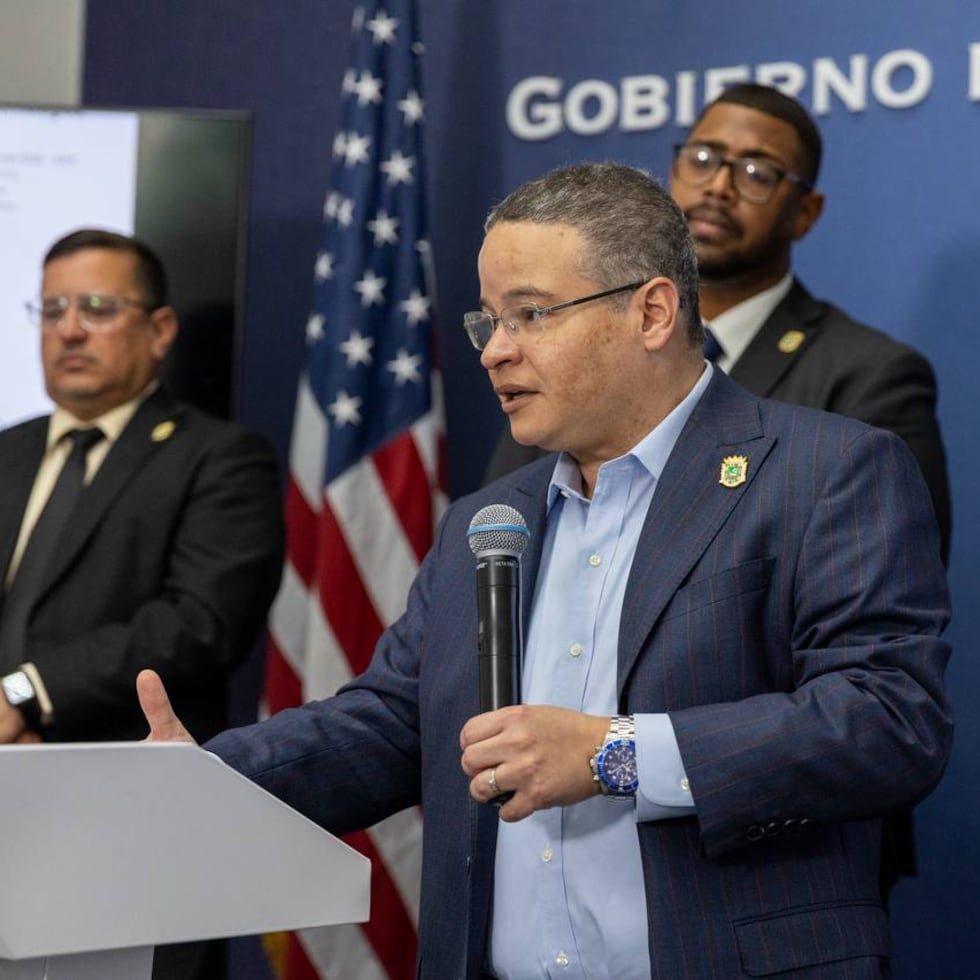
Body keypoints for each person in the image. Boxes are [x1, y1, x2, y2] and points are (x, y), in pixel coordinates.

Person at [139, 163, 952, 980]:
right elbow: (393, 722)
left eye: (530, 314)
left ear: (653, 311)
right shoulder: (487, 523)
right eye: (488, 321)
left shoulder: (824, 470)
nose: (496, 351)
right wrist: (211, 779)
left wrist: (615, 754)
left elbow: (889, 721)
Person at [484, 84, 952, 570]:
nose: (719, 187)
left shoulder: (870, 375)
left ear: (806, 212)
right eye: (703, 158)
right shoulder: (577, 371)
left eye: (756, 172)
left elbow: (891, 572)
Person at [0, 228, 285, 978]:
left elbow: (198, 623)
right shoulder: (8, 452)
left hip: (130, 823)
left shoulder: (221, 458)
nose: (68, 328)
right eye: (52, 307)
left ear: (159, 330)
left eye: (96, 307)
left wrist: (23, 696)